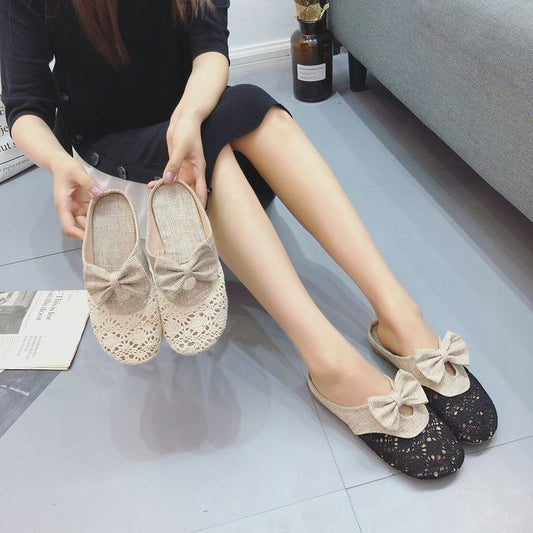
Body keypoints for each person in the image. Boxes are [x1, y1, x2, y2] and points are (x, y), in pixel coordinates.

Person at [0, 0, 496, 479]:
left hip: (191, 119)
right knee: (213, 161)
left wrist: (189, 116)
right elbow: (25, 105)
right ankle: (328, 360)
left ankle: (398, 314)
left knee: (262, 112)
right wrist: (57, 163)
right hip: (113, 153)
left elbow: (210, 50)